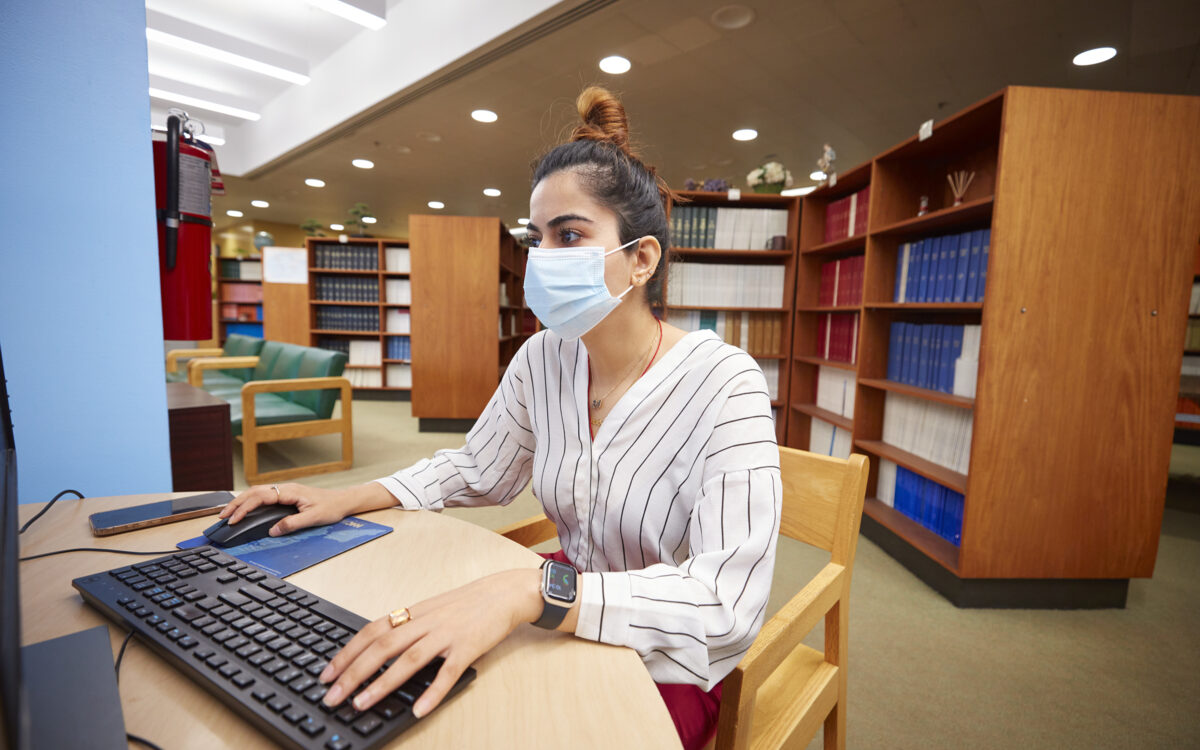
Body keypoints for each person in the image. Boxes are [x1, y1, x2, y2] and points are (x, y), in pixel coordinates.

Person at [220, 86, 782, 749]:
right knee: (424, 697)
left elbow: (726, 605)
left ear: (641, 259)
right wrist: (344, 496)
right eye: (535, 237)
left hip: (660, 651)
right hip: (554, 589)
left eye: (569, 234)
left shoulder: (727, 383)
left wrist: (530, 591)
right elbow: (478, 468)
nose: (542, 258)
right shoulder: (543, 355)